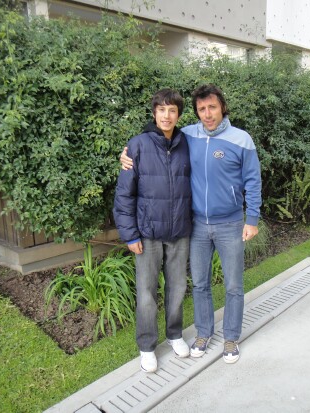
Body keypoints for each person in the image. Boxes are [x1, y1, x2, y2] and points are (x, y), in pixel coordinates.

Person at [121, 84, 262, 364]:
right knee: (199, 284)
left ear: (222, 106)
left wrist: (252, 218)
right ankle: (203, 333)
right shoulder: (188, 136)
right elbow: (156, 141)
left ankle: (231, 337)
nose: (207, 114)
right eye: (201, 109)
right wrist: (126, 155)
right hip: (196, 225)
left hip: (230, 224)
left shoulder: (241, 139)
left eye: (212, 107)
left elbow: (253, 181)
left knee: (233, 285)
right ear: (196, 113)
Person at [113, 88, 192, 373]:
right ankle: (147, 346)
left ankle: (174, 334)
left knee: (178, 287)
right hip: (147, 233)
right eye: (162, 110)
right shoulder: (136, 146)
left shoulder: (187, 143)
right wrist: (130, 234)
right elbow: (124, 195)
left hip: (179, 230)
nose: (167, 115)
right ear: (154, 113)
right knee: (146, 292)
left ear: (179, 115)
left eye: (172, 110)